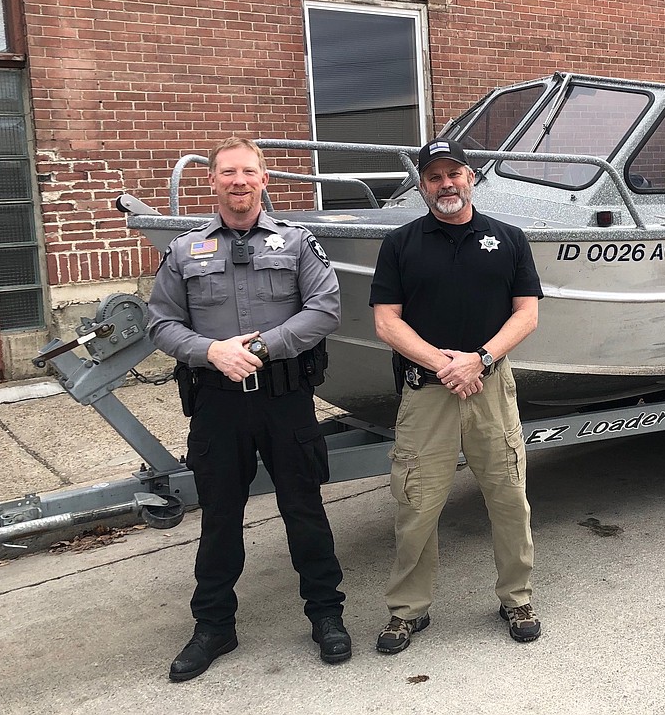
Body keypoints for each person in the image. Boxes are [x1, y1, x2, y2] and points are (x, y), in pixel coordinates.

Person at [148, 137, 350, 681]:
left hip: (285, 399)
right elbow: (161, 322)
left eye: (248, 172)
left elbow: (325, 308)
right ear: (212, 182)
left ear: (264, 180)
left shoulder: (298, 242)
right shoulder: (185, 251)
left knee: (305, 510)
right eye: (227, 173)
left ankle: (326, 615)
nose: (238, 181)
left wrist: (263, 348)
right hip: (216, 404)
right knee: (219, 518)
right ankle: (214, 626)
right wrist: (210, 351)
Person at [369, 138, 543, 653]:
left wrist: (481, 358)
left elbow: (527, 313)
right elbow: (385, 322)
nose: (446, 184)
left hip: (491, 386)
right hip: (427, 392)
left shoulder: (509, 238)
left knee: (510, 497)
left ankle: (517, 597)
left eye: (455, 174)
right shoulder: (400, 244)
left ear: (472, 178)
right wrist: (445, 363)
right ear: (422, 186)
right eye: (435, 177)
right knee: (416, 504)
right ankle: (407, 611)